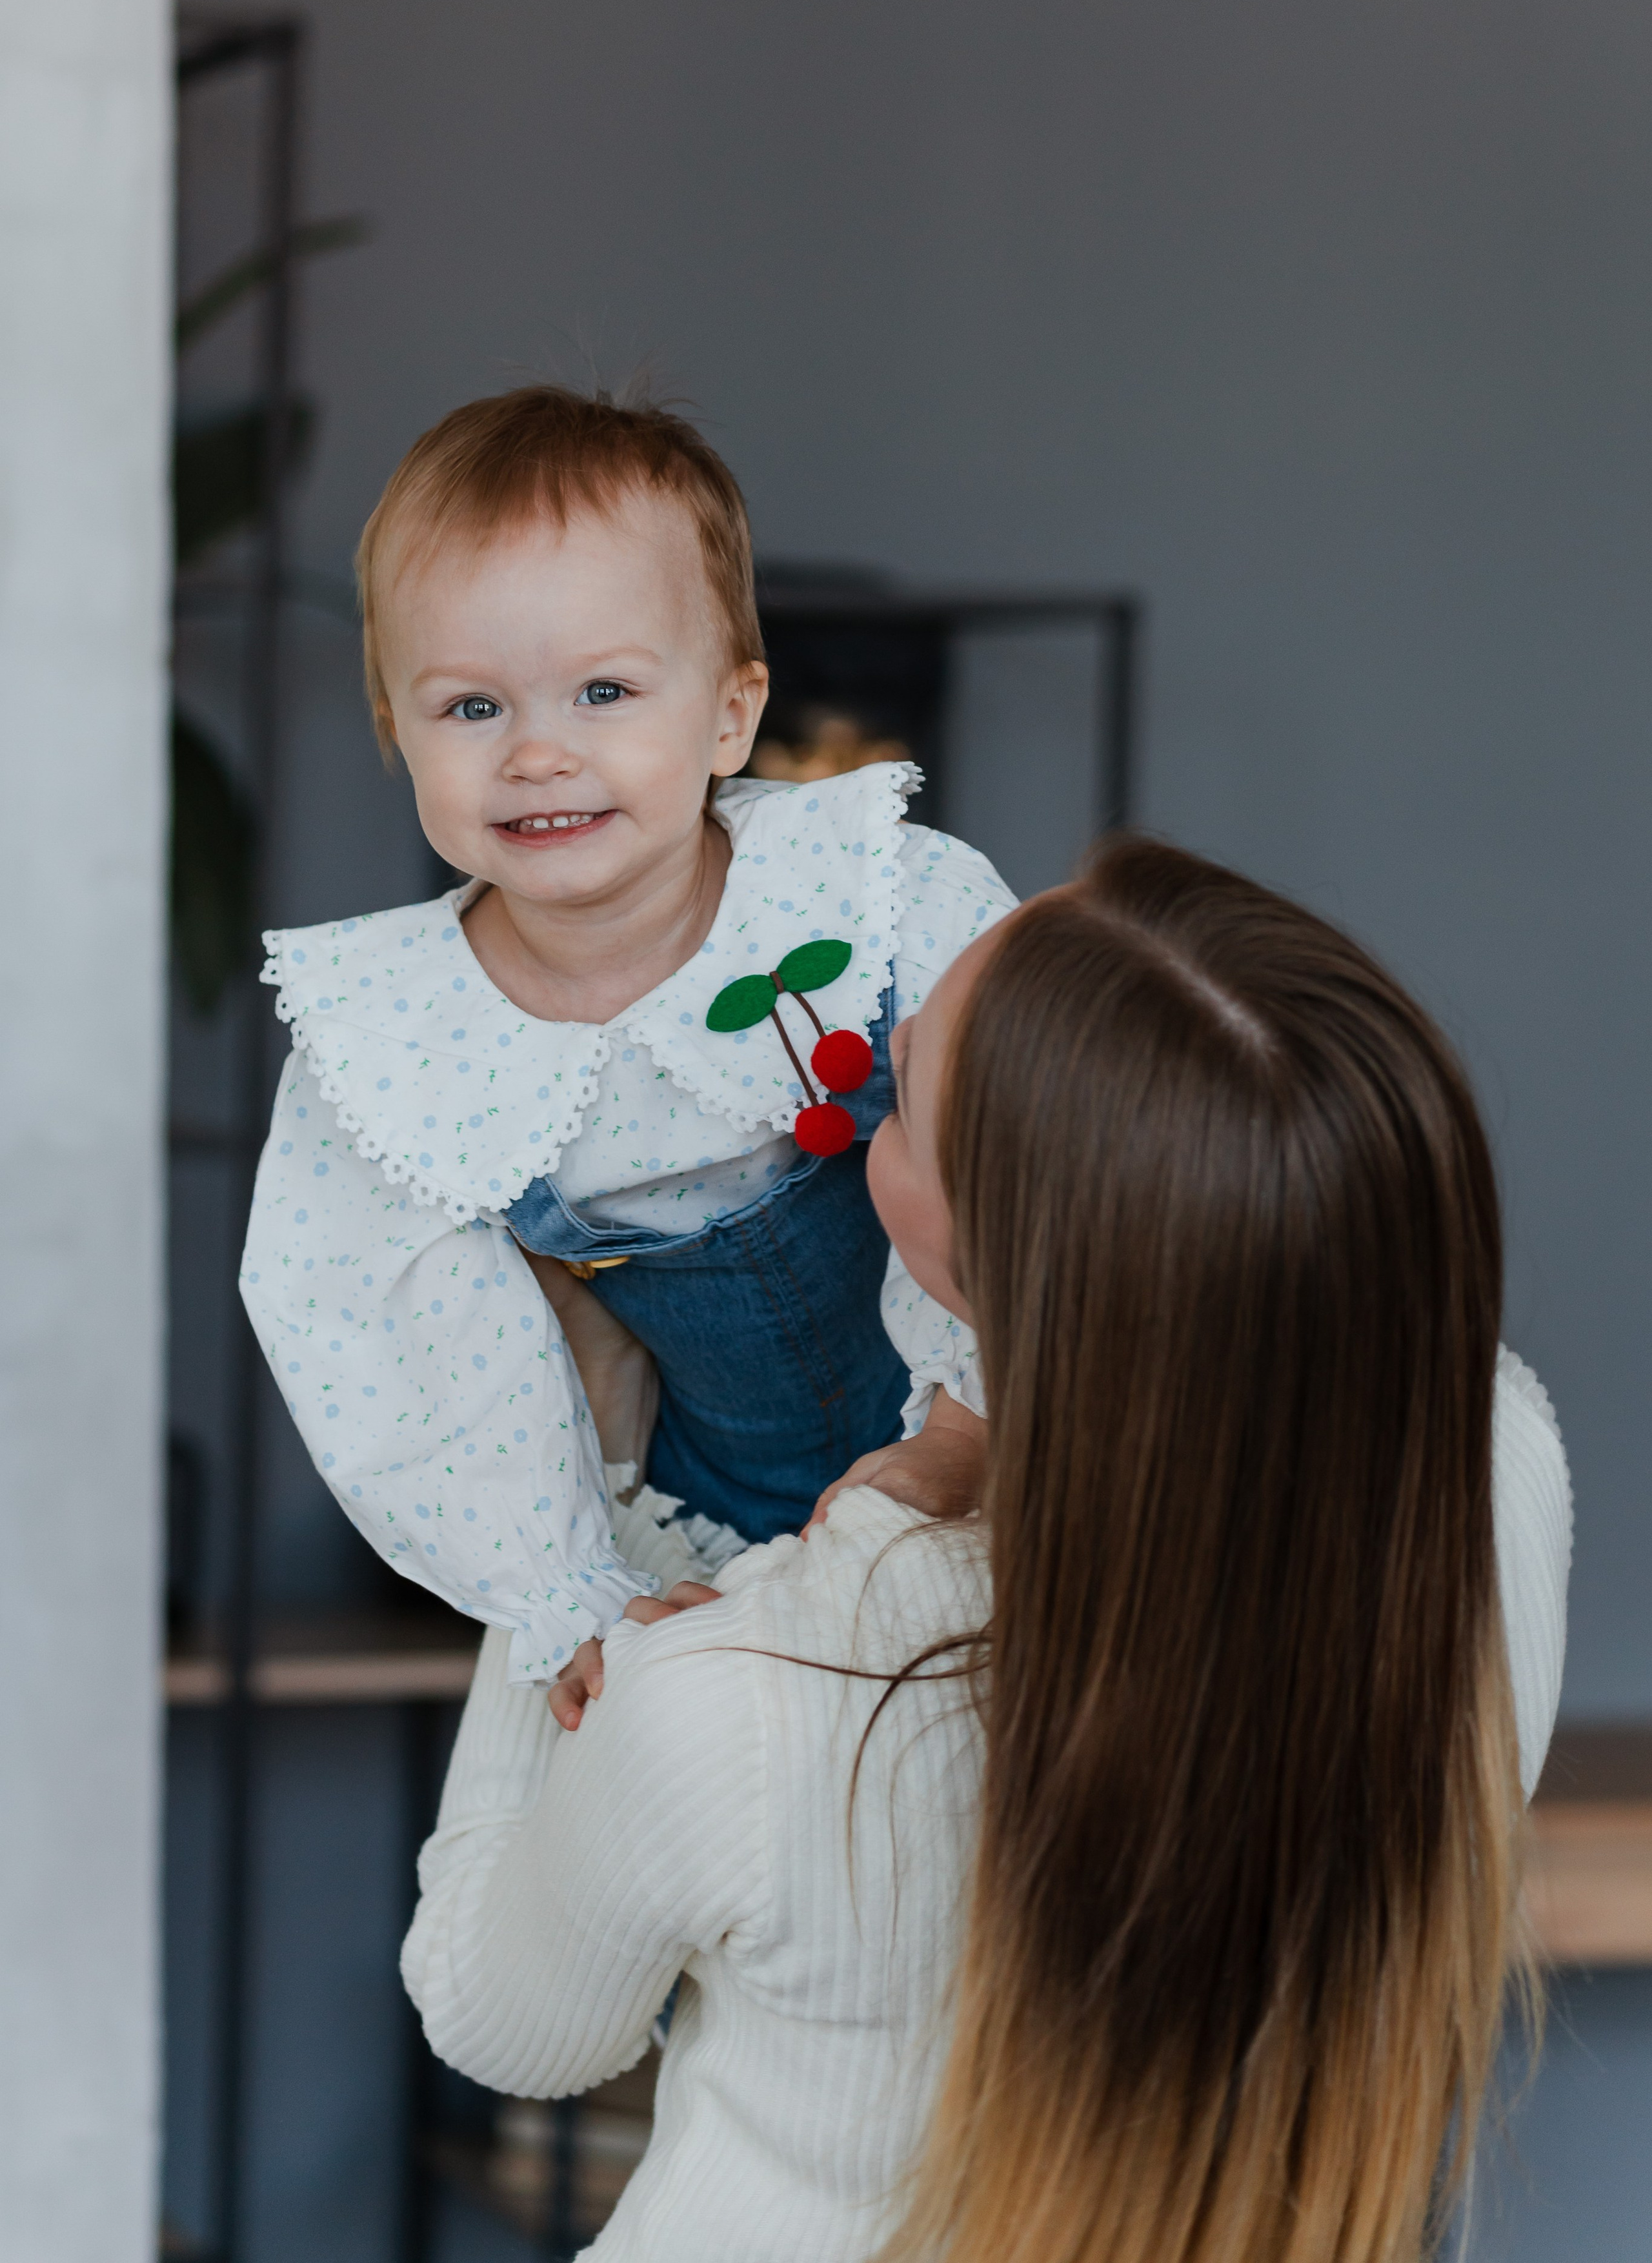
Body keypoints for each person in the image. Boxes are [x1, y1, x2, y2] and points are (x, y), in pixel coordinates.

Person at [402, 837, 1570, 2263]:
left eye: (891, 1111)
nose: (867, 1064)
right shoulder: (1490, 1468)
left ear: (961, 1255)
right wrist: (956, 1432)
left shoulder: (750, 1694)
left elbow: (497, 2014)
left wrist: (559, 1493)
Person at [239, 387, 1014, 1685]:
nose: (540, 752)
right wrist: (564, 1592)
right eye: (471, 708)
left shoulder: (866, 898)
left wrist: (962, 1434)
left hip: (1002, 1451)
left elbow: (1037, 1156)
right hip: (685, 1529)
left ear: (729, 713)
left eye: (603, 690)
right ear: (395, 730)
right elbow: (382, 1336)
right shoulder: (402, 1044)